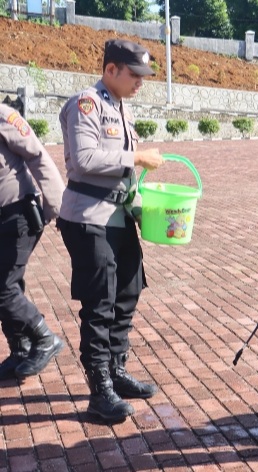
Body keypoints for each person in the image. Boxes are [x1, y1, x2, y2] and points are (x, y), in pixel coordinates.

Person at [57, 39, 164, 422]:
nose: (140, 82)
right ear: (111, 70)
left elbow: (125, 175)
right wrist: (136, 155)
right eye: (134, 74)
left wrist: (140, 209)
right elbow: (84, 159)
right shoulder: (86, 104)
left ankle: (116, 369)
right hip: (88, 217)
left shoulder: (121, 109)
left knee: (129, 288)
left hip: (117, 217)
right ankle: (99, 388)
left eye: (143, 76)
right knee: (99, 302)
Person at [0, 104, 65, 381]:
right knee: (8, 284)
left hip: (18, 214)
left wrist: (59, 207)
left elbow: (37, 155)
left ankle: (45, 338)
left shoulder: (3, 116)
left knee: (3, 289)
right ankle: (21, 350)